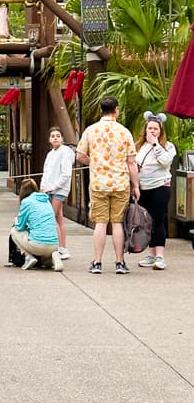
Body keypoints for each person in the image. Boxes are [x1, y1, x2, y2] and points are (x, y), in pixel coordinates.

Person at [76, 95, 140, 275]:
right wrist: (135, 185)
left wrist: (94, 162)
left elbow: (80, 155)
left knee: (101, 223)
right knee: (117, 222)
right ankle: (120, 262)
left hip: (98, 183)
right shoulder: (124, 132)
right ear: (116, 110)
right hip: (120, 183)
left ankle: (97, 262)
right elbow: (132, 162)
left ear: (101, 110)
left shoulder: (91, 130)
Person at [135, 111, 176, 271]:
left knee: (158, 220)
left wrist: (155, 144)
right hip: (142, 188)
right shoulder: (139, 146)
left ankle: (160, 256)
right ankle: (151, 254)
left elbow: (165, 162)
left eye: (155, 129)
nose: (152, 131)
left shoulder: (168, 146)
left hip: (160, 187)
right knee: (146, 222)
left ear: (160, 131)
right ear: (145, 129)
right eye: (150, 128)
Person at [11, 179, 63, 272]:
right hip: (54, 244)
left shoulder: (26, 202)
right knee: (45, 263)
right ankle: (53, 256)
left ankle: (28, 257)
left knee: (14, 231)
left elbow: (20, 227)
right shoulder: (46, 200)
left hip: (38, 246)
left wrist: (16, 221)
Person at [40, 126, 75, 260]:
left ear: (62, 138)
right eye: (53, 136)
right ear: (49, 139)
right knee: (58, 218)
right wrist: (43, 187)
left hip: (59, 190)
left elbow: (66, 174)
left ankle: (57, 247)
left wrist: (53, 187)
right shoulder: (50, 154)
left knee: (51, 216)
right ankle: (61, 247)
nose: (55, 138)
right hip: (49, 189)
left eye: (58, 136)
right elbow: (46, 172)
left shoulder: (65, 152)